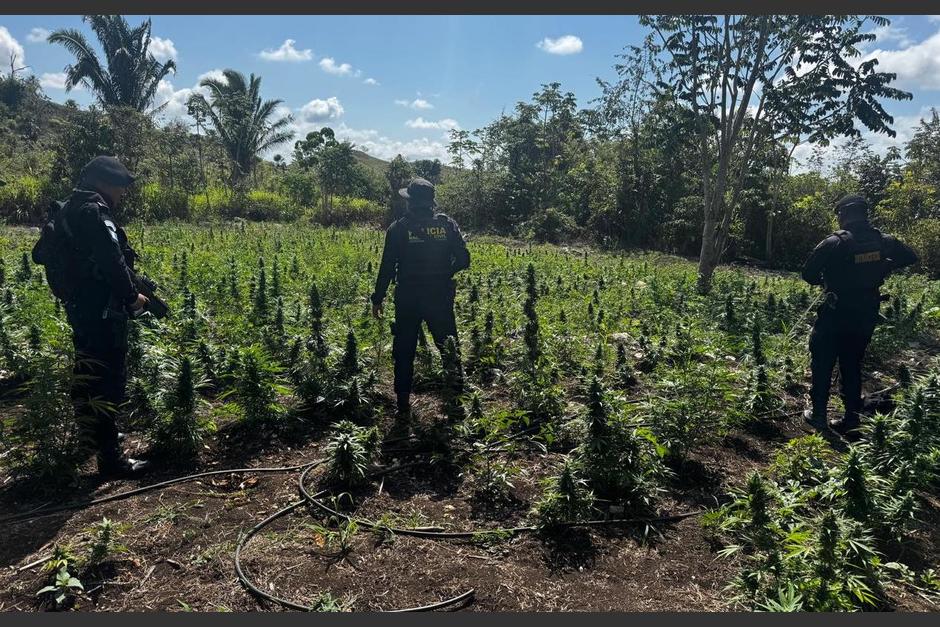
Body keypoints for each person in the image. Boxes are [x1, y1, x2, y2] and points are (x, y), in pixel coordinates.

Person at [50, 156, 151, 476]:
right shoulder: (95, 212)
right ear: (104, 183)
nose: (122, 192)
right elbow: (112, 261)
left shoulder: (68, 208)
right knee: (108, 378)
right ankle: (111, 458)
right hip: (102, 309)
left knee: (86, 369)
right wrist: (132, 297)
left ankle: (90, 437)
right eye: (120, 186)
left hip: (79, 306)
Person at [801, 194, 918, 435]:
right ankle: (851, 419)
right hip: (866, 312)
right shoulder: (884, 242)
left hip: (836, 311)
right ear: (865, 214)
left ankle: (819, 415)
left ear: (843, 214)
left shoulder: (834, 242)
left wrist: (828, 279)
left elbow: (808, 274)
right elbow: (911, 256)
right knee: (852, 362)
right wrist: (884, 265)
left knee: (823, 361)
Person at [370, 177, 471, 415]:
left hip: (408, 297)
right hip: (439, 295)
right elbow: (464, 259)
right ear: (431, 202)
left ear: (410, 202)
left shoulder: (398, 228)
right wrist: (445, 272)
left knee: (404, 348)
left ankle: (403, 404)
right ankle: (456, 401)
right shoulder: (447, 225)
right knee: (448, 345)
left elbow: (387, 267)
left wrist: (378, 298)